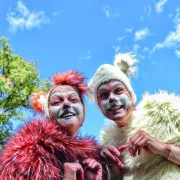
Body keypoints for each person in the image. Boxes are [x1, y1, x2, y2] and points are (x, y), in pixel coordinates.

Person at [0, 70, 109, 180]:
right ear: (48, 115)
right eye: (56, 102)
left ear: (83, 113)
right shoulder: (24, 155)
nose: (66, 104)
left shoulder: (97, 160)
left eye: (73, 100)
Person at [88, 53, 180, 179]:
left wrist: (162, 148)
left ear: (130, 95)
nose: (112, 99)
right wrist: (113, 168)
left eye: (118, 90)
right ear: (99, 105)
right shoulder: (107, 143)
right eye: (104, 95)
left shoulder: (166, 111)